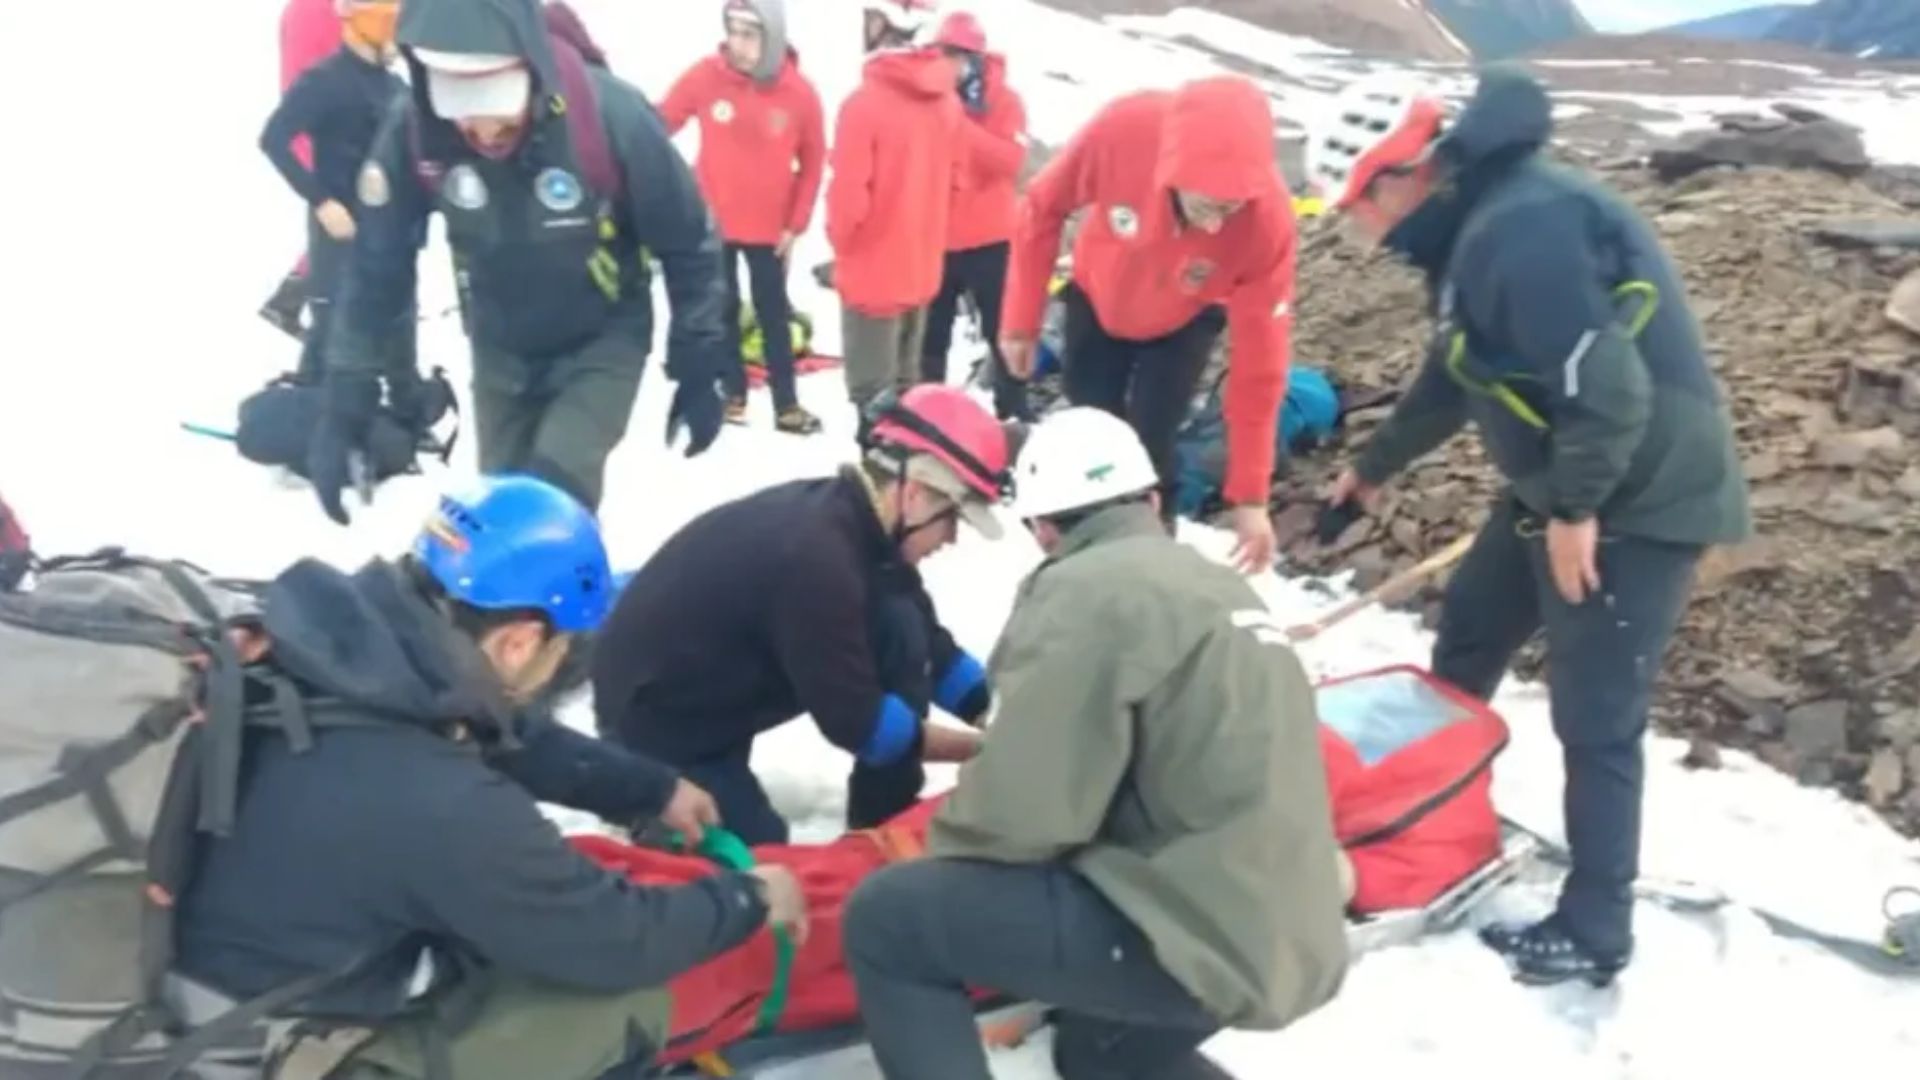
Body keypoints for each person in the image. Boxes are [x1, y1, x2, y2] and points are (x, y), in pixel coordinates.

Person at [1306, 66, 1752, 986]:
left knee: (1596, 713)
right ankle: (1429, 814)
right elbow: (1454, 371)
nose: (1359, 231)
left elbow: (1610, 389)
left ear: (1398, 179)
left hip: (1640, 495)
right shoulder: (1475, 228)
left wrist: (1578, 510)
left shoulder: (1523, 227)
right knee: (1470, 633)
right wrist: (1375, 466)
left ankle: (1596, 926)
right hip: (1562, 482)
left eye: (1354, 208)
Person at [174, 474, 809, 1080]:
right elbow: (613, 940)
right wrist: (748, 899)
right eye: (563, 648)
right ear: (519, 644)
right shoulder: (438, 801)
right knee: (619, 1000)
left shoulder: (324, 650)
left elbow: (502, 732)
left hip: (181, 993)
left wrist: (651, 788)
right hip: (250, 1054)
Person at [842, 406, 1349, 1080]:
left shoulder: (1083, 592)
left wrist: (942, 866)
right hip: (1293, 932)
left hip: (1198, 932)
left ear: (1044, 528)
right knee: (1096, 1057)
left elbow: (1021, 815)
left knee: (890, 921)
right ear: (1151, 501)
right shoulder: (1218, 587)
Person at [310, 0, 732, 524]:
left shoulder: (609, 116)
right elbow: (378, 264)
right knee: (495, 515)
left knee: (548, 501)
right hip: (500, 348)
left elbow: (689, 241)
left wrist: (700, 357)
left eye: (496, 98)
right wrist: (347, 392)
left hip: (600, 341)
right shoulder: (418, 133)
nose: (484, 127)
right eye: (460, 101)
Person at [591, 385, 1007, 845]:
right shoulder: (817, 561)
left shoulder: (860, 526)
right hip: (656, 721)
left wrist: (997, 710)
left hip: (716, 689)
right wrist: (985, 750)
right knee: (759, 863)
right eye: (953, 519)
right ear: (915, 496)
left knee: (900, 624)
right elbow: (860, 725)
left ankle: (882, 822)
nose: (951, 538)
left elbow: (931, 649)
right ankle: (640, 805)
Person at [997, 75, 1296, 575]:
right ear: (1174, 173)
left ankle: (1153, 561)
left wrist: (1250, 496)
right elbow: (1043, 207)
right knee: (1091, 429)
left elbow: (1259, 367)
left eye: (1231, 210)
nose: (1216, 227)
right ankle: (1079, 557)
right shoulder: (1124, 130)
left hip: (1186, 318)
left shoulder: (1268, 226)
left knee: (1151, 442)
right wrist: (1020, 322)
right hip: (1097, 298)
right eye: (1208, 206)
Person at [661, 0, 827, 436]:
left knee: (773, 314)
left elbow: (813, 163)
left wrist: (795, 224)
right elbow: (660, 123)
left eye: (749, 35)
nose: (738, 44)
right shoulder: (706, 76)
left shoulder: (799, 93)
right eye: (732, 32)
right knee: (723, 309)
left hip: (770, 229)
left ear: (771, 38)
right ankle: (732, 391)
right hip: (714, 222)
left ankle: (786, 404)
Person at [259, 0, 411, 386]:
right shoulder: (321, 32)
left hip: (379, 223)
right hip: (340, 197)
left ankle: (299, 299)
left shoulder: (393, 85)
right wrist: (321, 199)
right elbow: (282, 134)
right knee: (341, 320)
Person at [825, 0, 964, 416]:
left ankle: (875, 456)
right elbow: (956, 185)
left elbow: (848, 201)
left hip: (872, 278)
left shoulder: (864, 105)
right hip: (920, 273)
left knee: (872, 402)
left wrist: (840, 245)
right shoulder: (947, 103)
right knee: (906, 397)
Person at [918, 11, 1030, 422]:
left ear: (976, 59)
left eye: (957, 55)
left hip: (990, 239)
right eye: (942, 53)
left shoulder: (1006, 101)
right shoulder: (928, 99)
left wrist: (960, 128)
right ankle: (926, 413)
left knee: (1001, 331)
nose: (949, 64)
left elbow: (1010, 161)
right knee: (930, 335)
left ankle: (1013, 415)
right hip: (936, 236)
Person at [260, 0, 349, 339]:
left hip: (312, 124)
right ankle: (303, 303)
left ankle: (291, 299)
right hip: (320, 129)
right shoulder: (322, 9)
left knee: (345, 218)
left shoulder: (305, 8)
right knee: (348, 217)